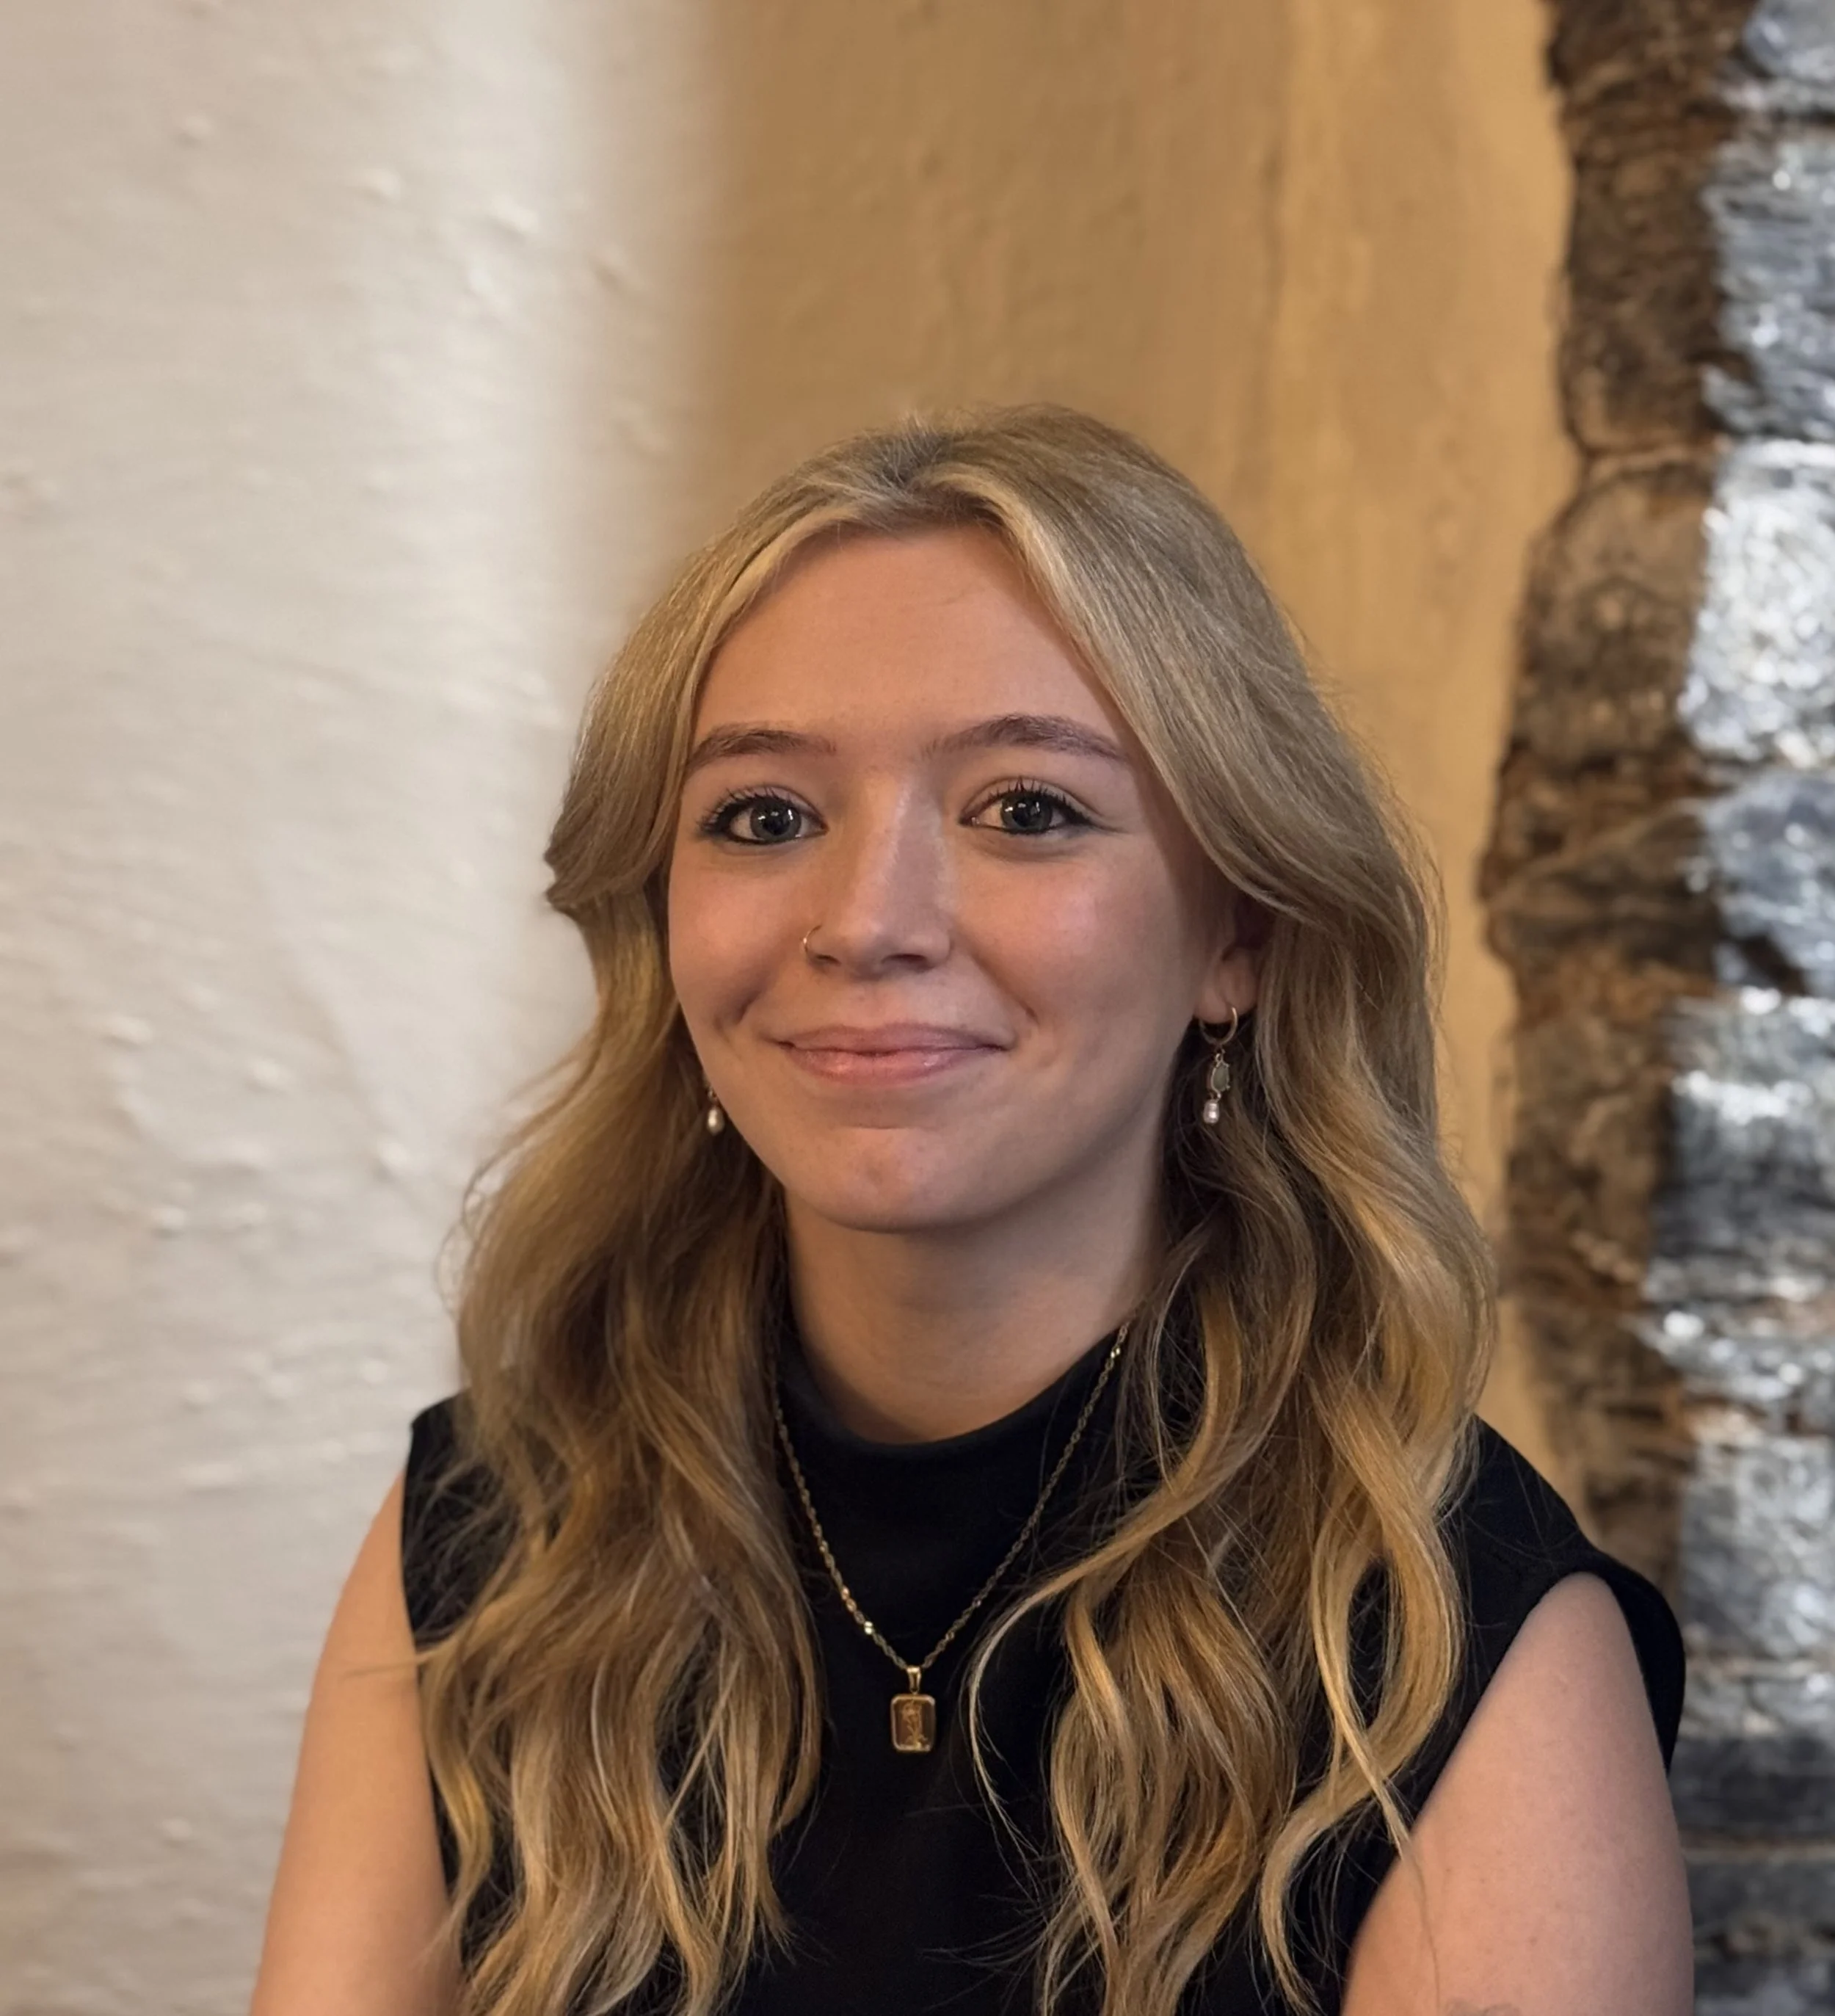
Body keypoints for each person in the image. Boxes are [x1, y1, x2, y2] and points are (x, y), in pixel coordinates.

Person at [250, 407, 1693, 2016]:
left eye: (1024, 808)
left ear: (1239, 939)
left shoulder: (1459, 1637)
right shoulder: (494, 1521)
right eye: (764, 815)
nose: (867, 920)